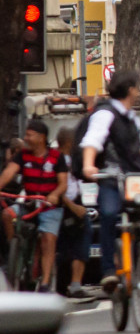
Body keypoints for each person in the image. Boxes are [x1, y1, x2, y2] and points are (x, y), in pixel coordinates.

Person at [78, 70, 140, 293]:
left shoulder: (131, 116)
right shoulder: (105, 114)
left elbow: (128, 150)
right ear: (130, 90)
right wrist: (89, 164)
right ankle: (108, 271)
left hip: (135, 178)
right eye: (137, 87)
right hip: (110, 178)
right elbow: (93, 140)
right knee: (107, 214)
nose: (139, 91)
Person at [0, 120, 67, 292]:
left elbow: (63, 183)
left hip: (49, 206)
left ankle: (45, 282)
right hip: (29, 203)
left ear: (41, 137)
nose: (26, 138)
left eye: (29, 135)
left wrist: (54, 195)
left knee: (48, 239)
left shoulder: (56, 157)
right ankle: (14, 248)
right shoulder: (21, 155)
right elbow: (8, 173)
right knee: (7, 215)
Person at [54, 127, 90, 298]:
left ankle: (74, 284)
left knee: (79, 243)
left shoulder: (72, 160)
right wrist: (72, 206)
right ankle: (64, 285)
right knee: (65, 246)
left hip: (75, 203)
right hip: (65, 205)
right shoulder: (58, 161)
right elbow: (57, 187)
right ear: (69, 142)